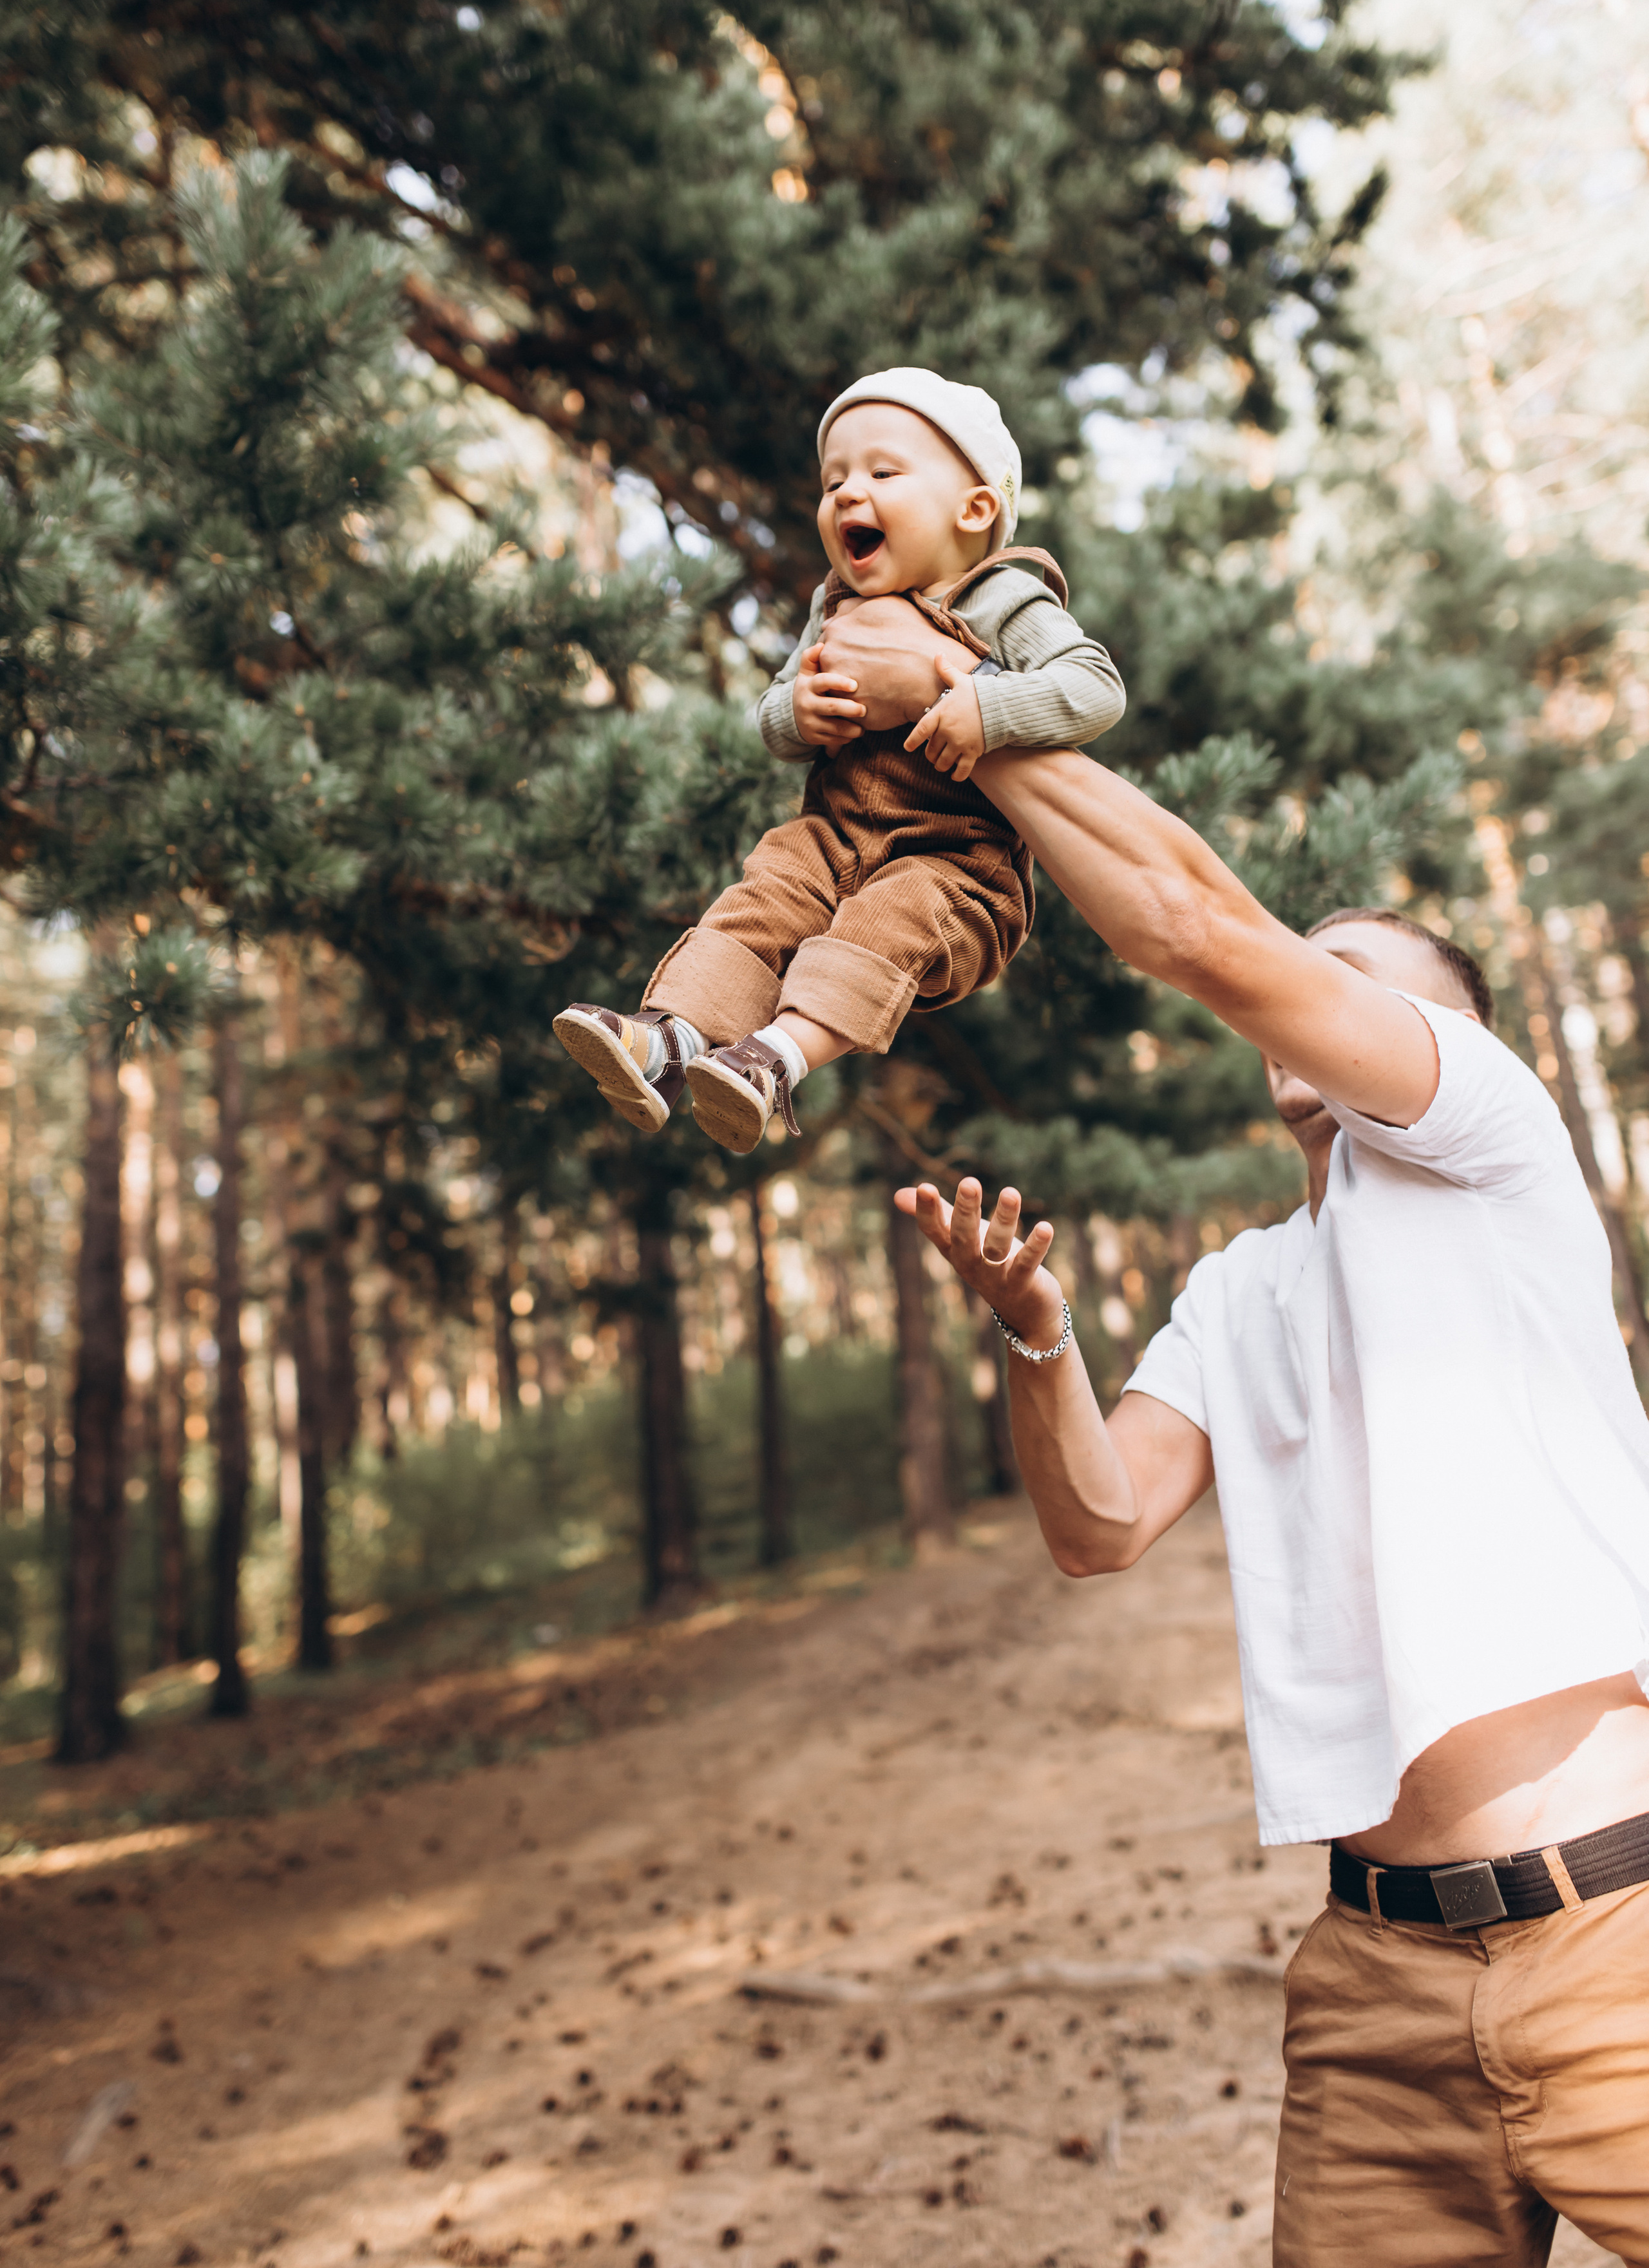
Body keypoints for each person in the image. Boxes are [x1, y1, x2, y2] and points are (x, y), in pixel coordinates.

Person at [815, 598, 1649, 2265]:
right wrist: (1038, 1338)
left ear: (1445, 1033)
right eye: (1306, 962)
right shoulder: (1241, 1288)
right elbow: (1099, 1521)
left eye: (1351, 971)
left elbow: (1202, 926)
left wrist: (964, 706)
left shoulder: (1492, 1141)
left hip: (1619, 1932)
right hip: (1373, 1983)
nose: (1304, 979)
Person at [553, 367, 1123, 1153]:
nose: (848, 495)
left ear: (975, 507)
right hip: (832, 836)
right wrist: (802, 713)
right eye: (833, 482)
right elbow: (774, 713)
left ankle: (776, 1061)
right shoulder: (835, 610)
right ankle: (668, 1042)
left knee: (889, 918)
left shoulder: (1004, 600)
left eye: (883, 473)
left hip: (957, 864)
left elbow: (1095, 688)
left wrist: (988, 708)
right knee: (767, 893)